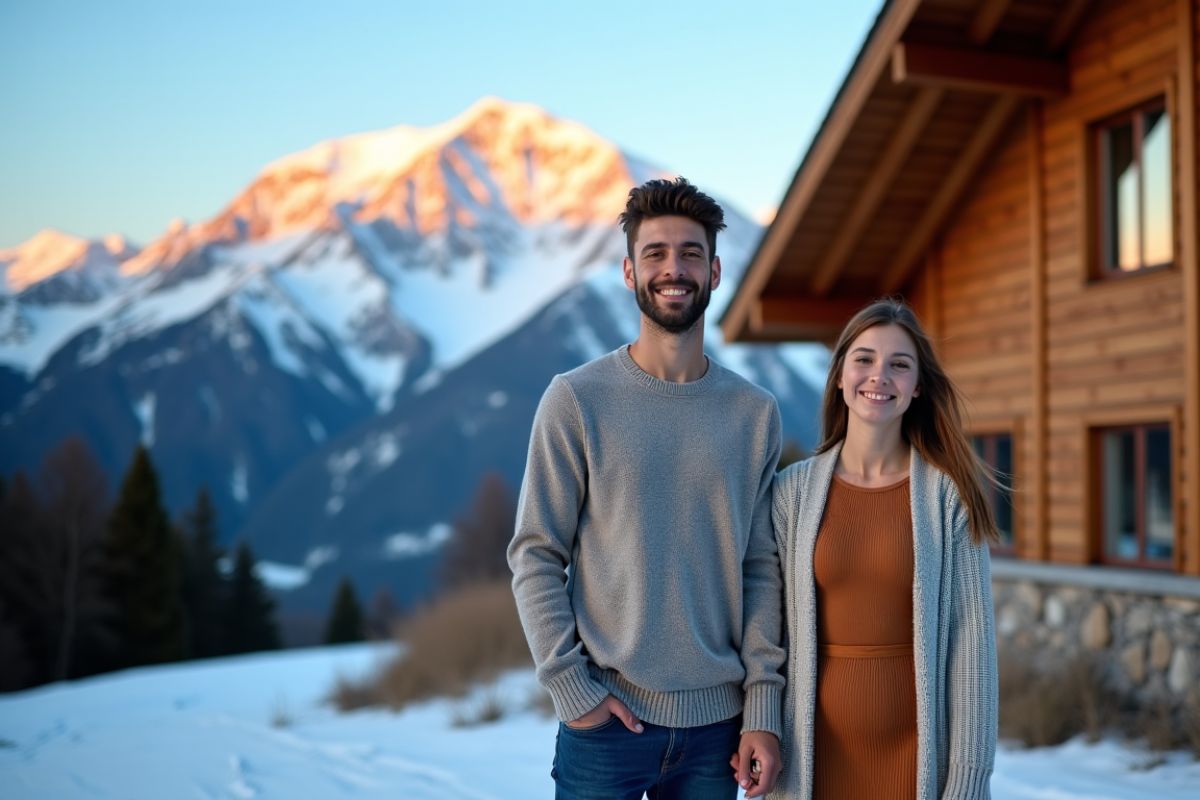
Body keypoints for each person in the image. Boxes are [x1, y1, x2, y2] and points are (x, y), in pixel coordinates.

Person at [508, 176, 786, 799]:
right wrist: (570, 689)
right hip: (606, 725)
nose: (673, 268)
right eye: (655, 253)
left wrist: (763, 710)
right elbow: (535, 553)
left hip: (720, 731)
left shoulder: (754, 412)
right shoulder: (576, 399)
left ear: (714, 272)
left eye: (690, 253)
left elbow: (761, 568)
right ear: (629, 273)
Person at [763, 299, 998, 799]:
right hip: (812, 757)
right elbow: (767, 629)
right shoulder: (791, 493)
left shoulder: (946, 497)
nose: (880, 376)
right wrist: (760, 723)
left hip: (917, 762)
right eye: (864, 359)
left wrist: (969, 782)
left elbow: (972, 653)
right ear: (842, 376)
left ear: (917, 387)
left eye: (900, 364)